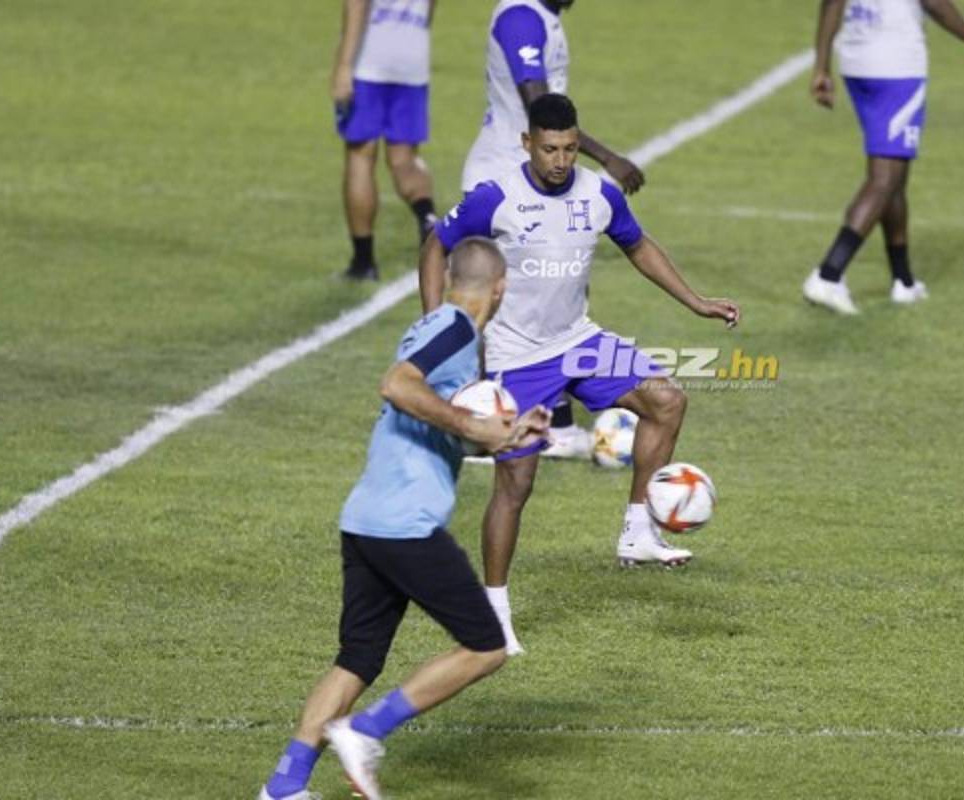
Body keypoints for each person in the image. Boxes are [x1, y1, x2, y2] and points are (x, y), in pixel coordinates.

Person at [422, 94, 741, 654]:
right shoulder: (496, 199)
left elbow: (638, 245)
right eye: (550, 149)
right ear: (528, 144)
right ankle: (493, 612)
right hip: (517, 357)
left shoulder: (597, 192)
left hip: (578, 341)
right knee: (515, 485)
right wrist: (438, 329)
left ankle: (639, 532)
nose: (561, 160)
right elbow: (435, 246)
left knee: (667, 401)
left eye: (570, 148)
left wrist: (696, 301)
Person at [256, 239, 550, 800]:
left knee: (357, 658)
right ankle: (365, 731)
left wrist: (504, 433)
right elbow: (396, 385)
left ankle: (284, 787)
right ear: (501, 287)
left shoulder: (441, 328)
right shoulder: (457, 329)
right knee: (487, 646)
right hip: (404, 526)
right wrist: (470, 424)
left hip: (366, 518)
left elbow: (431, 418)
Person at [463, 0, 646, 457]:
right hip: (508, 180)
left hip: (538, 182)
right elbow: (540, 111)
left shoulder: (545, 16)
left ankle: (553, 424)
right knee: (494, 310)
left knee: (555, 300)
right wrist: (606, 157)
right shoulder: (521, 18)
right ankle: (475, 423)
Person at [802, 0, 964, 314]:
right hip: (895, 68)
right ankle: (829, 274)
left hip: (857, 63)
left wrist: (821, 65)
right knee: (884, 179)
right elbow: (934, 4)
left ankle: (903, 281)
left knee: (894, 174)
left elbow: (831, 3)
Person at [332, 0, 440, 281]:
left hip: (370, 59)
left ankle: (363, 261)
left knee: (361, 154)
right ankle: (428, 219)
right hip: (413, 57)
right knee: (404, 158)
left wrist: (344, 66)